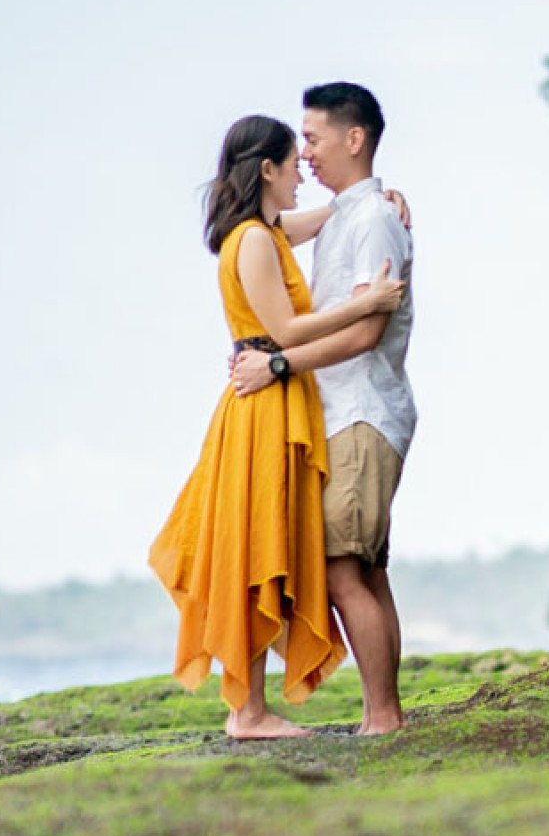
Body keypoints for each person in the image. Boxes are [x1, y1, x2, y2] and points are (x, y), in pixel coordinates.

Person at [149, 114, 406, 739]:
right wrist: (366, 304)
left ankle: (253, 708)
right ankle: (249, 711)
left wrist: (383, 199)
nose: (303, 173)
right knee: (255, 549)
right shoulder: (255, 240)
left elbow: (332, 215)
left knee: (264, 548)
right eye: (294, 163)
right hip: (265, 398)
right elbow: (286, 330)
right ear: (267, 169)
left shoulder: (265, 231)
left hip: (276, 395)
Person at [233, 82, 415, 738]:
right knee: (364, 570)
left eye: (312, 138)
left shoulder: (371, 221)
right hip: (342, 412)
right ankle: (382, 714)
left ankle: (383, 718)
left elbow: (367, 330)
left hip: (361, 411)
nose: (304, 153)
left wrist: (279, 364)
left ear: (353, 138)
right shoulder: (349, 215)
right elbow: (258, 224)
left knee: (342, 570)